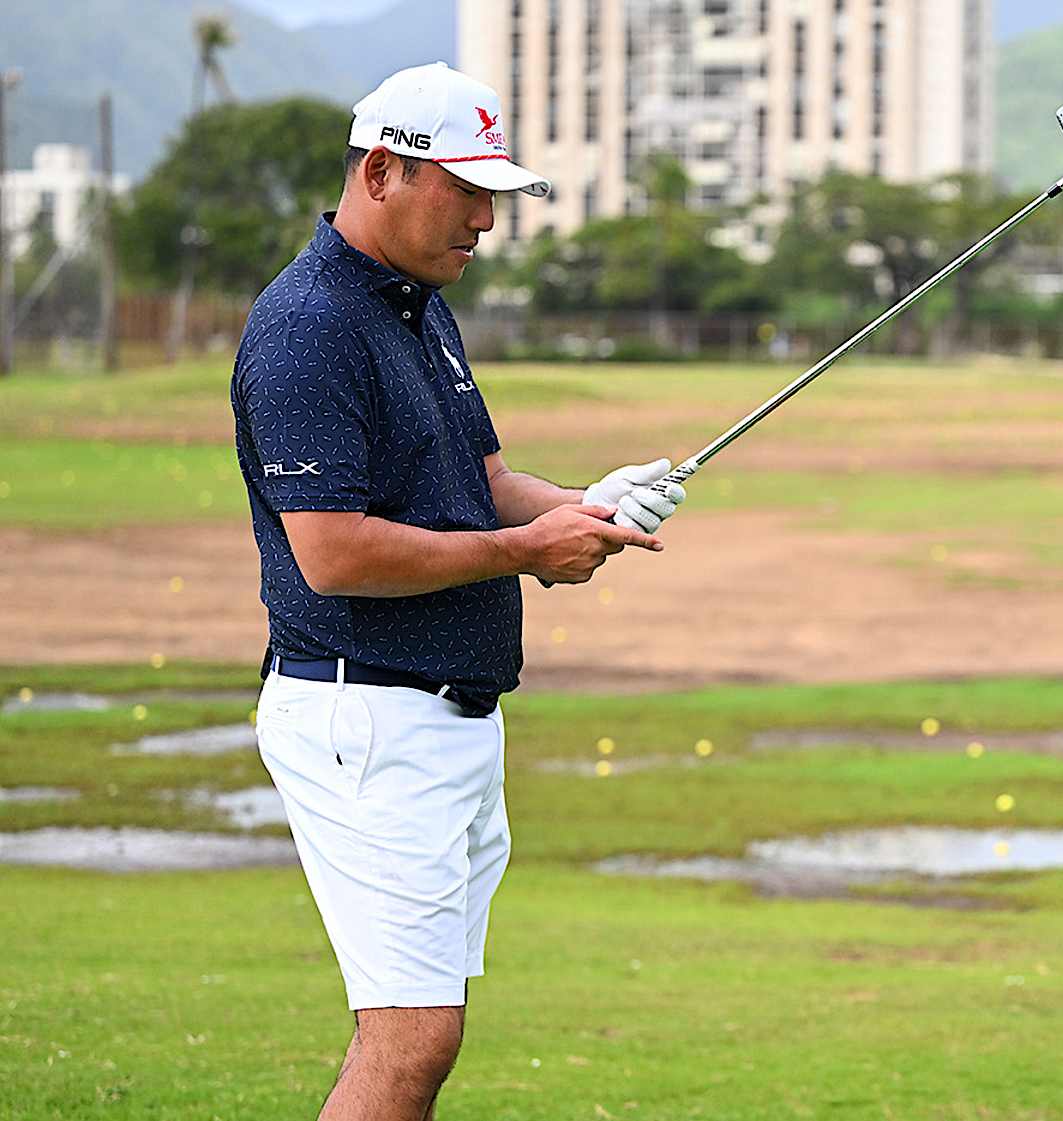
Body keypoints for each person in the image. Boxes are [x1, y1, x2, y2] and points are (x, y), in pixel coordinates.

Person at [231, 63, 686, 1121]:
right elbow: (332, 552)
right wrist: (528, 548)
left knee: (419, 1031)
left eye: (495, 193)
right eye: (466, 189)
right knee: (412, 1035)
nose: (487, 218)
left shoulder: (415, 306)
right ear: (382, 170)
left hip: (440, 715)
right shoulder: (309, 326)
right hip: (367, 712)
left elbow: (478, 484)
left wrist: (585, 505)